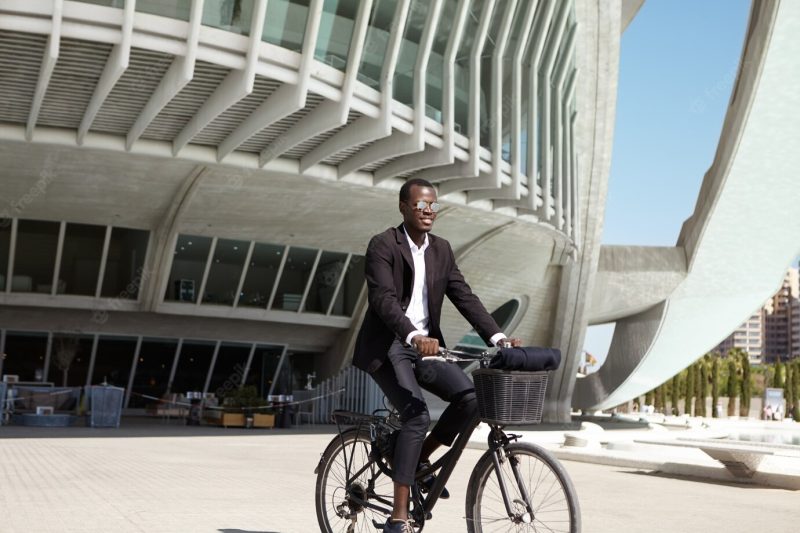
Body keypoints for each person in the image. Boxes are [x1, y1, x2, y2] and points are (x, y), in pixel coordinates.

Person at [352, 178, 521, 532]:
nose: (428, 211)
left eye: (433, 205)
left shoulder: (441, 249)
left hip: (427, 348)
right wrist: (413, 335)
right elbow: (382, 299)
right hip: (390, 347)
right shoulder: (383, 245)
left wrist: (499, 338)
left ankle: (417, 462)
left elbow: (464, 296)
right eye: (420, 205)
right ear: (403, 207)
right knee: (416, 416)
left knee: (472, 400)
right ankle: (398, 515)